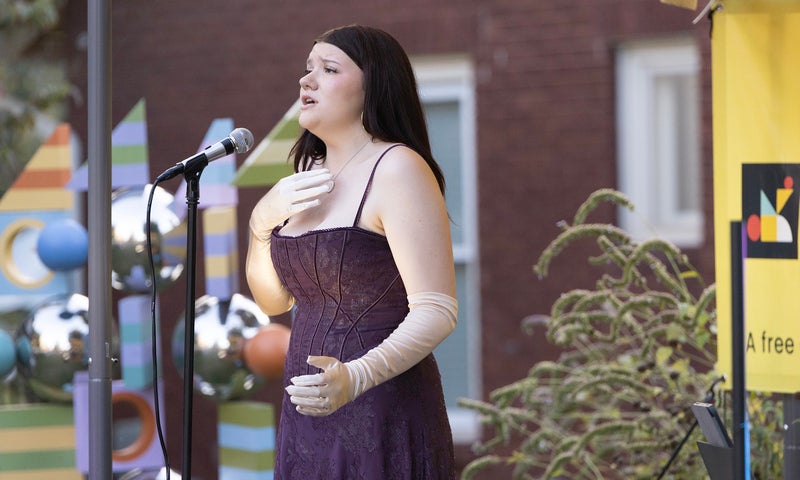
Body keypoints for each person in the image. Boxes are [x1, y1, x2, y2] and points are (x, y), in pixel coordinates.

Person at [246, 24, 458, 479]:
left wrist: (355, 377)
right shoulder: (305, 175)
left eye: (328, 69)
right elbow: (274, 302)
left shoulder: (398, 167)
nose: (307, 81)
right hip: (307, 414)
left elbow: (437, 309)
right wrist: (259, 225)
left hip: (382, 408)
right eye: (307, 69)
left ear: (373, 87)